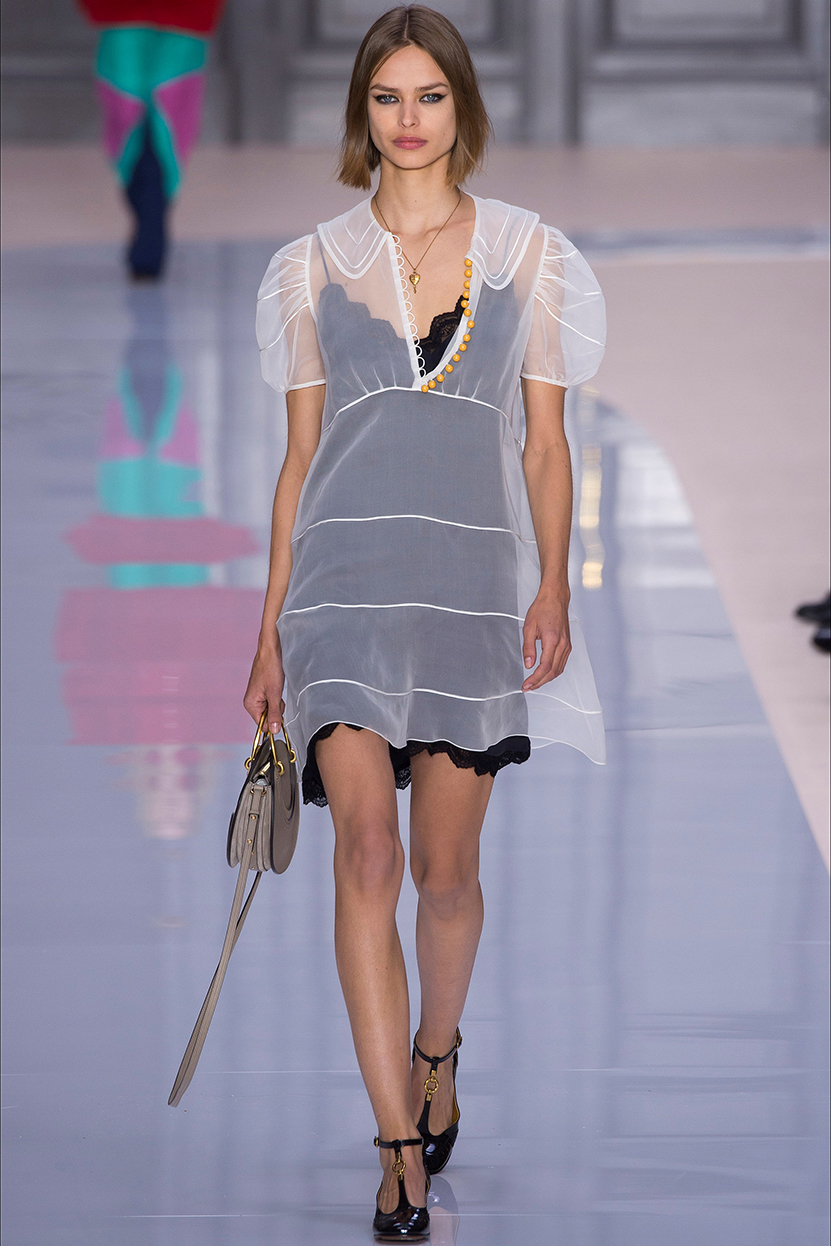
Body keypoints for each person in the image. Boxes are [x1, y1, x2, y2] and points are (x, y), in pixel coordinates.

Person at [244, 6, 606, 1238]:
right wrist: (269, 626)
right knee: (368, 855)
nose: (409, 119)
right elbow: (299, 462)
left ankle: (437, 1051)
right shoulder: (308, 267)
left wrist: (553, 585)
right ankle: (396, 1139)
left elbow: (547, 444)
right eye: (388, 97)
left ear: (462, 106)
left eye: (430, 95)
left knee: (448, 874)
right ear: (363, 111)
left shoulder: (530, 255)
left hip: (468, 589)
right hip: (341, 590)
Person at [77, 0, 226, 279]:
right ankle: (150, 226)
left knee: (163, 117)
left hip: (181, 16)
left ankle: (149, 231)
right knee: (130, 114)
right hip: (125, 13)